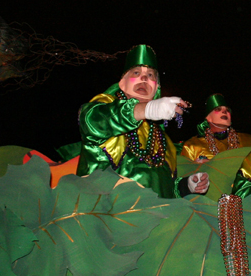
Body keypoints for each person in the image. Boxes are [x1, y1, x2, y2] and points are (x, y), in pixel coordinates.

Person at [76, 44, 209, 198]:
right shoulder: (102, 110)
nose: (144, 78)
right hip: (108, 214)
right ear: (122, 83)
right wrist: (146, 109)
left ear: (156, 88)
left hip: (158, 217)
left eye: (151, 75)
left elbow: (163, 188)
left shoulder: (161, 138)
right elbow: (93, 121)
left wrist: (185, 186)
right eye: (136, 72)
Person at [181, 93, 251, 162]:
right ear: (208, 118)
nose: (225, 112)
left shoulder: (250, 141)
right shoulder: (192, 146)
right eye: (218, 109)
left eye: (227, 110)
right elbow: (181, 175)